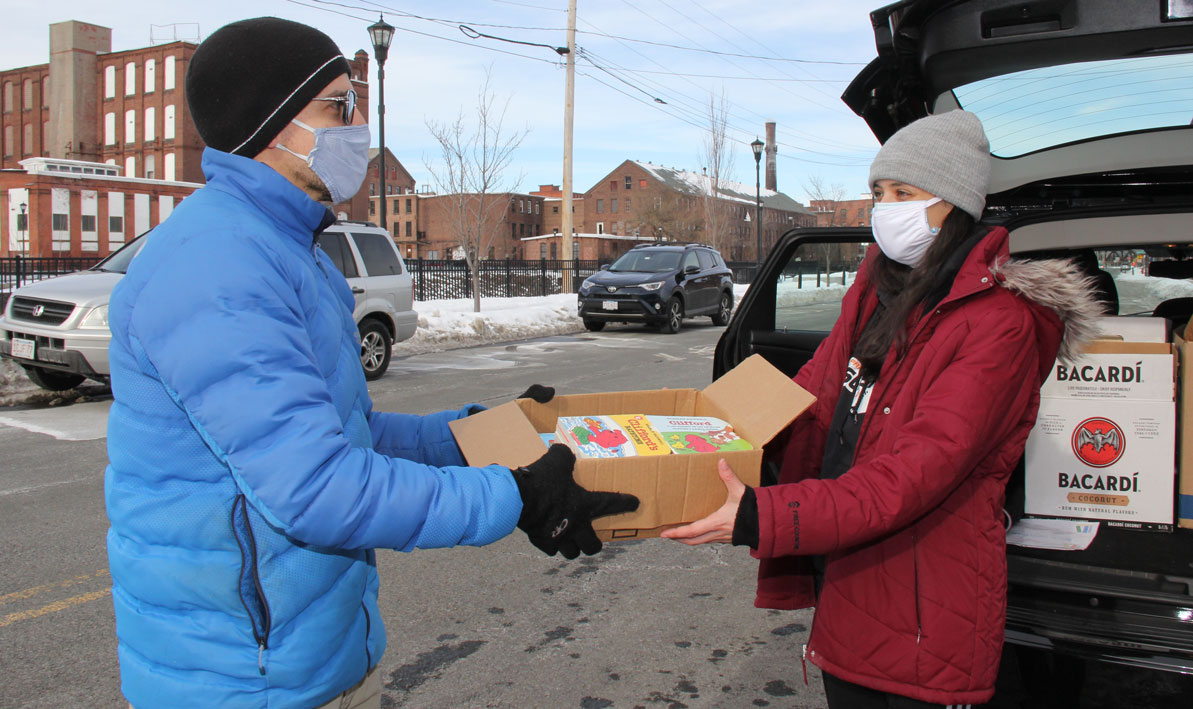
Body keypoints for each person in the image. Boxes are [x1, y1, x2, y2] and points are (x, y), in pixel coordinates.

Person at [104, 18, 637, 709]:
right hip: (240, 678)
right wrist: (516, 496)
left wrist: (468, 436)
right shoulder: (219, 267)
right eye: (337, 107)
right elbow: (318, 488)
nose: (357, 126)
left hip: (301, 656)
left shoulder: (285, 248)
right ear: (269, 122)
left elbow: (338, 430)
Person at [662, 111, 1104, 707]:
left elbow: (912, 477)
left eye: (904, 193)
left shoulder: (1001, 322)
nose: (884, 208)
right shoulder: (878, 289)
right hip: (845, 568)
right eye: (878, 192)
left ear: (954, 204)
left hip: (924, 600)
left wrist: (764, 515)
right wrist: (720, 442)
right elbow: (813, 396)